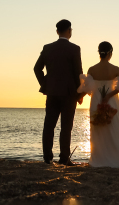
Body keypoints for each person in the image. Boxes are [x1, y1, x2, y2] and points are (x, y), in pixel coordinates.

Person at [78, 41, 119, 168]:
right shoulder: (115, 69)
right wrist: (109, 96)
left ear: (99, 53)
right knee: (113, 128)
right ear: (110, 53)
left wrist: (96, 95)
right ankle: (116, 157)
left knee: (98, 129)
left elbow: (88, 88)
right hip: (111, 101)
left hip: (96, 100)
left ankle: (99, 159)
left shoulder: (92, 69)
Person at [33, 19, 84, 166]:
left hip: (52, 93)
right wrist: (79, 93)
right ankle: (64, 158)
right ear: (69, 31)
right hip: (69, 94)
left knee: (49, 125)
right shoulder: (74, 49)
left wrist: (46, 84)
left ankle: (47, 158)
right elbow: (78, 73)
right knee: (66, 126)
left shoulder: (47, 48)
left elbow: (37, 69)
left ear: (57, 32)